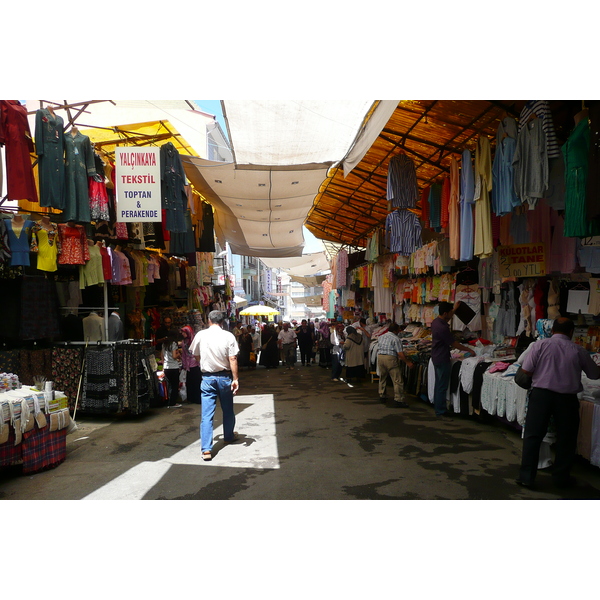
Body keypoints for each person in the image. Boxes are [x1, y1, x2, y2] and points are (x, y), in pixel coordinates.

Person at [516, 317, 600, 489]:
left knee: (533, 436)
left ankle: (526, 477)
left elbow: (526, 370)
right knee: (566, 439)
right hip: (566, 400)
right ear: (571, 332)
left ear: (552, 330)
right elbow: (594, 375)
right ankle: (561, 478)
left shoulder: (540, 345)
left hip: (541, 396)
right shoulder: (579, 350)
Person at [189, 310, 240, 461]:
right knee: (228, 409)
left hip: (207, 378)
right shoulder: (228, 336)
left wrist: (203, 362)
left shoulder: (200, 335)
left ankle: (206, 450)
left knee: (206, 415)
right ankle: (228, 436)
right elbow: (233, 358)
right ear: (222, 321)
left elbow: (195, 354)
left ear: (209, 320)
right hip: (224, 377)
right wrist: (235, 378)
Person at [431, 301, 473, 418]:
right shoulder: (442, 327)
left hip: (436, 356)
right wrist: (468, 350)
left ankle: (438, 407)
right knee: (441, 386)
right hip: (442, 358)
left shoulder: (436, 322)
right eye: (450, 312)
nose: (451, 314)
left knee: (439, 384)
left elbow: (447, 318)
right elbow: (453, 343)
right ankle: (440, 411)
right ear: (445, 313)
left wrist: (454, 309)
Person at [376, 322, 414, 407]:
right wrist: (408, 362)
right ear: (395, 331)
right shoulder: (396, 339)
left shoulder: (381, 337)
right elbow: (400, 353)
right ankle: (398, 399)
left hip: (380, 357)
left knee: (382, 377)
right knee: (397, 380)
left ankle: (382, 395)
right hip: (390, 358)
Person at [180, 325, 202, 404]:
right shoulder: (184, 342)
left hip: (196, 365)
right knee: (190, 383)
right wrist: (184, 365)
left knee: (197, 383)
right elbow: (184, 355)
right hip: (188, 366)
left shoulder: (195, 341)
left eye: (184, 332)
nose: (182, 334)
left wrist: (200, 363)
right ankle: (191, 398)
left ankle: (198, 399)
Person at [162, 329, 183, 408]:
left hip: (166, 367)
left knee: (169, 385)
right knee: (174, 385)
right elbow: (174, 356)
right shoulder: (173, 343)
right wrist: (179, 354)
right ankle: (173, 403)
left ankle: (168, 401)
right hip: (173, 367)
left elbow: (162, 355)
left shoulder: (164, 344)